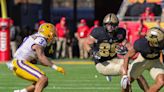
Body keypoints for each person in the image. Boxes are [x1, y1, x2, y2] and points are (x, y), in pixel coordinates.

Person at [84, 13, 149, 91]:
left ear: (117, 25)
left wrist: (126, 49)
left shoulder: (120, 32)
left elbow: (127, 44)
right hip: (102, 63)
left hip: (114, 59)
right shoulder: (98, 32)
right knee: (124, 70)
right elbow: (86, 43)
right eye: (108, 25)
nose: (110, 27)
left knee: (136, 71)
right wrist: (92, 51)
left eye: (112, 25)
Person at [7, 23, 65, 92]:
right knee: (43, 79)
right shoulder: (41, 39)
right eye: (53, 34)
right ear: (48, 33)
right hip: (20, 63)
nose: (53, 36)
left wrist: (46, 62)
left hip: (19, 63)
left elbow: (34, 60)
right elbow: (41, 57)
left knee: (43, 82)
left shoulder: (36, 37)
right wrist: (55, 67)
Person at [122, 27, 164, 92]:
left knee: (161, 82)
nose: (162, 42)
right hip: (142, 60)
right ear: (152, 42)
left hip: (155, 61)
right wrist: (125, 75)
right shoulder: (141, 44)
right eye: (161, 41)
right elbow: (127, 56)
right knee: (126, 83)